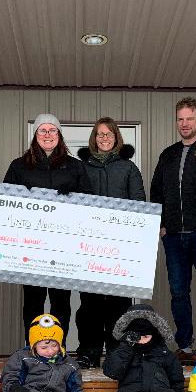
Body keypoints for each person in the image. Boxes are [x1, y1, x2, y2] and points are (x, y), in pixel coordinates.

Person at [3, 114, 92, 345]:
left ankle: (58, 347)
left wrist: (72, 200)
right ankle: (33, 347)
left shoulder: (75, 167)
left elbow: (89, 204)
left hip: (63, 247)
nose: (48, 135)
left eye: (52, 130)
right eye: (43, 130)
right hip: (31, 246)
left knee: (61, 301)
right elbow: (5, 202)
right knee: (33, 300)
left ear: (59, 135)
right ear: (35, 135)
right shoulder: (19, 166)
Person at [150, 97, 196, 357]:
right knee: (178, 293)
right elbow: (156, 191)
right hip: (173, 237)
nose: (184, 124)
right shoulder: (168, 154)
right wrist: (161, 225)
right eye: (180, 119)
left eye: (189, 118)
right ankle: (184, 345)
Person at [74, 117, 146, 368]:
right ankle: (89, 350)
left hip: (120, 248)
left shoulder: (128, 168)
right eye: (100, 134)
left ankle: (117, 350)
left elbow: (139, 203)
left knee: (118, 303)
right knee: (90, 303)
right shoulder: (81, 167)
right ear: (94, 138)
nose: (104, 139)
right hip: (90, 247)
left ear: (116, 138)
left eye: (109, 134)